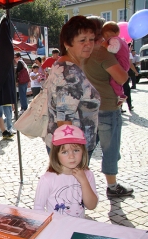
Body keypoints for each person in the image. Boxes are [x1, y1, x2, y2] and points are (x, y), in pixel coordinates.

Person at [84, 15, 134, 198]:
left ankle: (79, 185)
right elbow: (122, 78)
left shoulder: (83, 51)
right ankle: (112, 188)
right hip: (106, 105)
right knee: (110, 149)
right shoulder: (102, 52)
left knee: (87, 149)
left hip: (88, 107)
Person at [45, 16, 100, 158]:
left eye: (91, 39)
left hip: (73, 147)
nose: (88, 44)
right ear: (67, 44)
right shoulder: (69, 73)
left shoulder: (66, 65)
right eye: (82, 40)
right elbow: (64, 121)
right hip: (73, 150)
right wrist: (71, 158)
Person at [34, 124, 98, 218]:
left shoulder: (87, 175)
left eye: (76, 150)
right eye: (64, 152)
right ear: (56, 155)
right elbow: (38, 208)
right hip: (56, 229)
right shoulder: (48, 179)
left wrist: (84, 181)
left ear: (83, 151)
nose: (71, 156)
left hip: (78, 227)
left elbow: (91, 205)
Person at [101, 21, 130, 105]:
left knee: (113, 81)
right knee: (116, 80)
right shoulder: (122, 40)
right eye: (105, 36)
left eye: (108, 35)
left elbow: (114, 49)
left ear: (116, 33)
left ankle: (121, 95)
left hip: (121, 63)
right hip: (124, 62)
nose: (107, 38)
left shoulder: (114, 40)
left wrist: (106, 46)